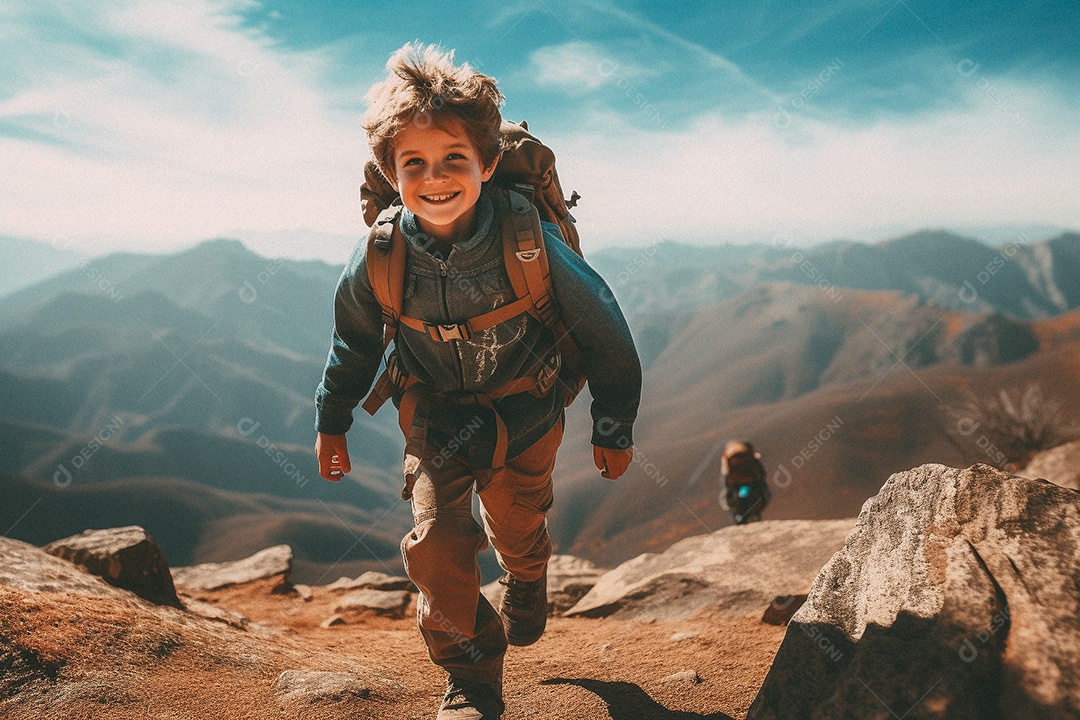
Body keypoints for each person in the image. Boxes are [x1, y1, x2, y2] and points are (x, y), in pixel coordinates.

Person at [313, 43, 641, 720]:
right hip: (432, 418)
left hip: (528, 412)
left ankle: (527, 574)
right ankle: (471, 679)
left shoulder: (529, 243)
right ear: (390, 170)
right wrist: (332, 417)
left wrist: (612, 424)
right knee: (436, 540)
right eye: (415, 164)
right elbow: (353, 339)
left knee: (517, 525)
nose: (435, 178)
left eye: (453, 160)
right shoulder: (380, 253)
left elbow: (605, 328)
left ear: (488, 164)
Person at [720, 439, 770, 524]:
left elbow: (726, 480)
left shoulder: (728, 457)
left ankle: (740, 519)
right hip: (752, 486)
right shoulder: (751, 457)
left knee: (731, 501)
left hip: (737, 487)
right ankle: (753, 516)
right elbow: (762, 475)